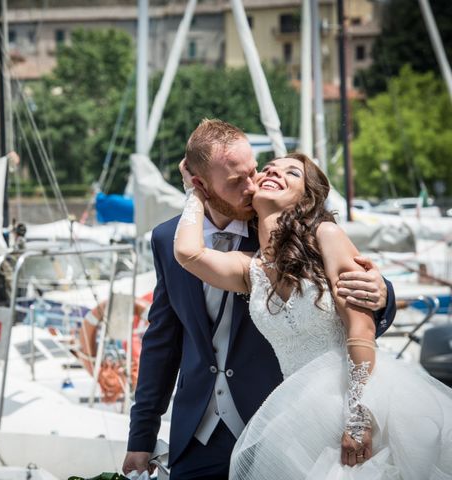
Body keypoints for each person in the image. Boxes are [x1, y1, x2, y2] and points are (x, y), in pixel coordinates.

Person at [122, 119, 396, 479]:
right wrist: (141, 436)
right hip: (197, 435)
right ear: (202, 184)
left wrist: (382, 293)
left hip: (279, 424)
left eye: (254, 171)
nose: (253, 185)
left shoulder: (286, 231)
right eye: (238, 181)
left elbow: (349, 298)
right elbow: (162, 341)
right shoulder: (167, 238)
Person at [174, 150, 452, 478]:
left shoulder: (326, 237)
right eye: (269, 169)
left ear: (306, 199)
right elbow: (188, 253)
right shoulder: (252, 270)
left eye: (292, 173)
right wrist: (194, 189)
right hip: (300, 417)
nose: (274, 173)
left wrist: (360, 415)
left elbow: (360, 330)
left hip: (359, 401)